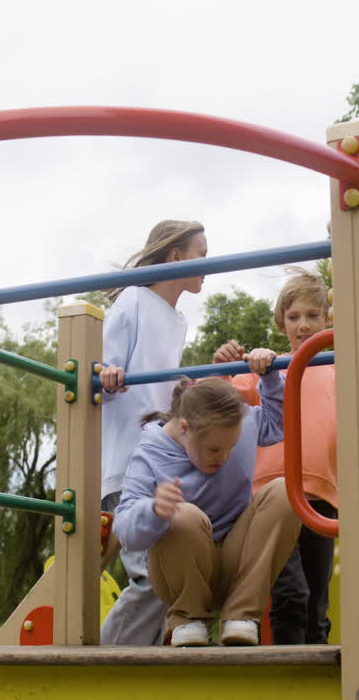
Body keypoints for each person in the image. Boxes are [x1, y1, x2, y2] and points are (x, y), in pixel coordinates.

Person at [112, 367, 303, 647]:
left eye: (232, 446)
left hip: (234, 562)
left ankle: (241, 616)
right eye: (214, 450)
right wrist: (153, 510)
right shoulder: (150, 453)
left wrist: (270, 378)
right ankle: (189, 619)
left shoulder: (242, 423)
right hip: (182, 571)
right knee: (183, 513)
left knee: (286, 490)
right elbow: (125, 530)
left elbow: (281, 423)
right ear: (185, 428)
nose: (224, 456)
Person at [97, 220, 208, 646]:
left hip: (162, 457)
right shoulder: (133, 301)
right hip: (129, 462)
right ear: (175, 256)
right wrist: (106, 373)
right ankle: (102, 668)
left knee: (168, 574)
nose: (208, 265)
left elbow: (159, 390)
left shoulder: (176, 319)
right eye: (202, 253)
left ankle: (140, 664)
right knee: (149, 578)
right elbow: (101, 375)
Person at [215, 268, 338, 644]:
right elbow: (222, 400)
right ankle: (290, 671)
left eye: (312, 315)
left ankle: (318, 679)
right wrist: (223, 368)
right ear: (281, 322)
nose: (302, 325)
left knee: (317, 602)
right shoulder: (269, 367)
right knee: (291, 594)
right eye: (293, 317)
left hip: (322, 497)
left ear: (327, 319)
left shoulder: (340, 366)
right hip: (273, 497)